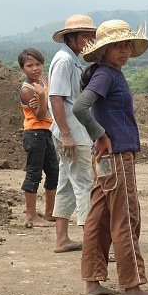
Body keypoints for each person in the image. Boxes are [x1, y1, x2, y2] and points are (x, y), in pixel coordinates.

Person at [73, 19, 148, 295]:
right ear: (103, 51)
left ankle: (92, 281)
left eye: (126, 44)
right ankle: (133, 287)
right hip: (116, 156)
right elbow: (79, 107)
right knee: (126, 217)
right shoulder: (107, 75)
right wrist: (100, 135)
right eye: (116, 46)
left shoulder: (109, 73)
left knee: (99, 218)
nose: (123, 50)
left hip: (107, 159)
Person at [47, 14, 97, 253]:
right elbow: (56, 97)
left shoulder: (72, 59)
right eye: (84, 35)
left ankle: (62, 239)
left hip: (72, 132)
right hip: (72, 133)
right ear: (71, 36)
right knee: (86, 184)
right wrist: (66, 134)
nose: (89, 39)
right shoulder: (65, 61)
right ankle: (93, 245)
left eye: (91, 35)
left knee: (66, 184)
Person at [17, 48, 58, 228]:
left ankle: (50, 213)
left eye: (38, 64)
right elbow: (40, 115)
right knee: (34, 173)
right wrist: (41, 97)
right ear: (22, 68)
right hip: (34, 133)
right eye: (30, 65)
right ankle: (31, 215)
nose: (35, 68)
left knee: (53, 171)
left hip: (46, 132)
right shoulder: (28, 90)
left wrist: (42, 96)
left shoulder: (42, 84)